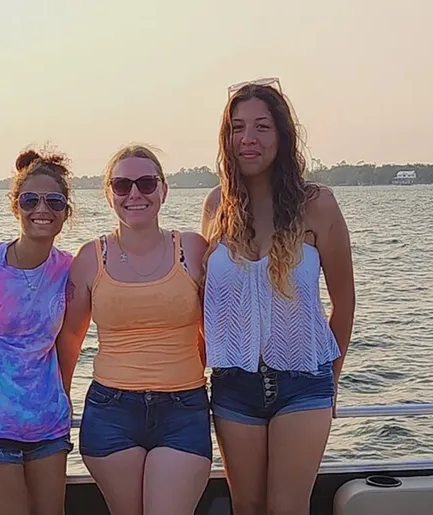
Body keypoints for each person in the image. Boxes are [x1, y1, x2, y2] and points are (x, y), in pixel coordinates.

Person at [200, 78, 356, 515]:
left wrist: (333, 383)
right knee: (245, 506)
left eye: (262, 127)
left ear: (283, 135)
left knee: (288, 507)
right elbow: (202, 303)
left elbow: (344, 302)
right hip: (234, 384)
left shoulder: (318, 204)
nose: (248, 139)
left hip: (303, 383)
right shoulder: (217, 206)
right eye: (237, 127)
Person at [56, 144, 211, 515]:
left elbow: (216, 330)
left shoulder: (192, 248)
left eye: (145, 183)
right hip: (111, 410)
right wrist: (59, 404)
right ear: (108, 193)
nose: (135, 194)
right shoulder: (90, 258)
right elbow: (70, 340)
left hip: (183, 408)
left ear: (163, 190)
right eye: (122, 185)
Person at [0, 148, 75, 515]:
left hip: (48, 423)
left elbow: (70, 342)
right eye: (30, 200)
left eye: (54, 201)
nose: (42, 209)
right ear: (15, 206)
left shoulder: (70, 269)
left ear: (66, 212)